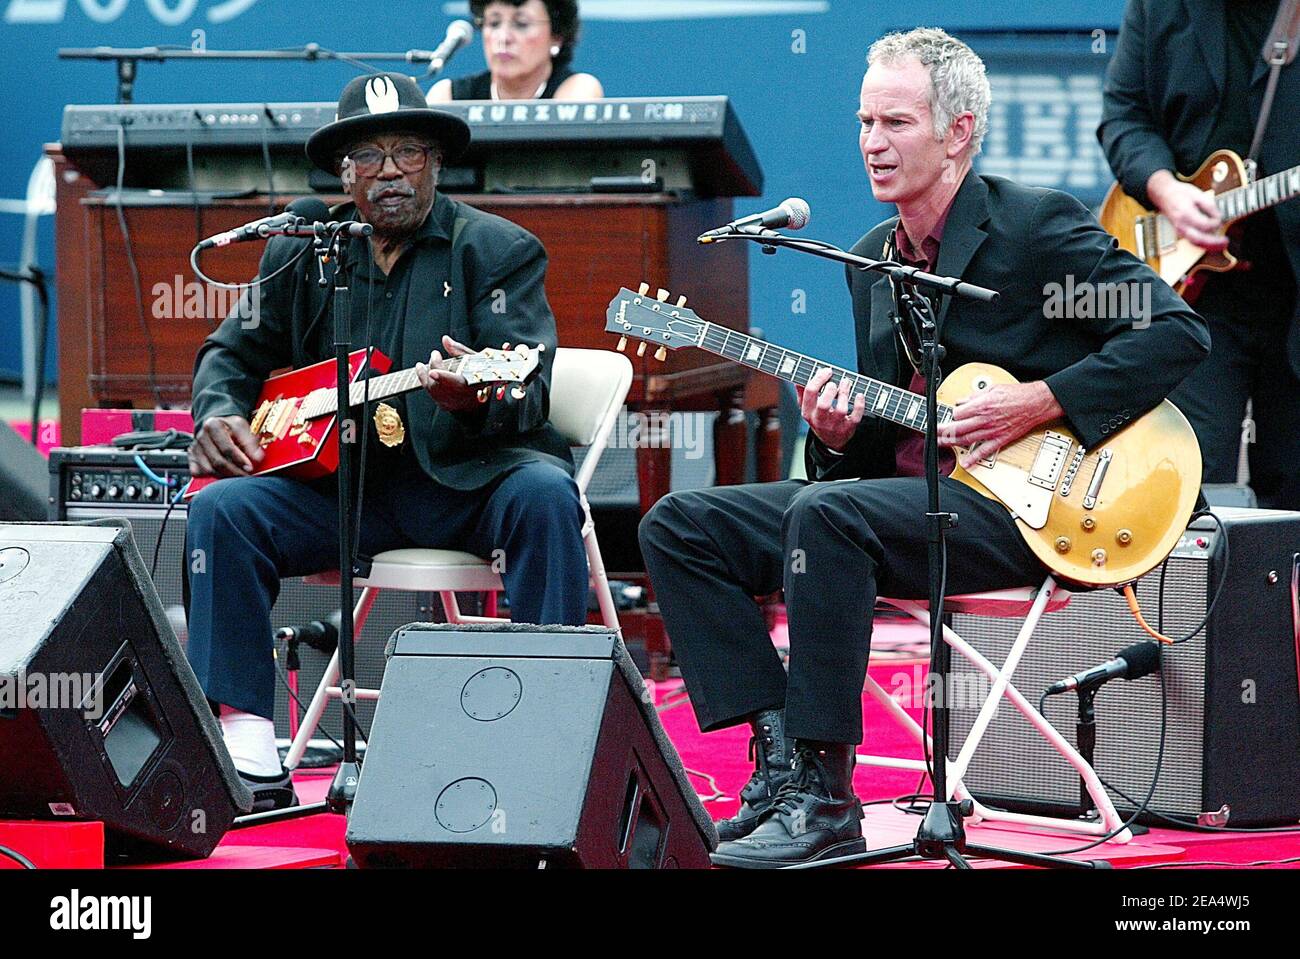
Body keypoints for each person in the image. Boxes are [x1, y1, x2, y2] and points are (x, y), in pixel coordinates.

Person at [638, 28, 1210, 868]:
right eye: (864, 121)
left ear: (958, 133)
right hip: (905, 512)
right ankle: (782, 768)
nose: (873, 143)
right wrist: (833, 439)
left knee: (830, 517)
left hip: (1035, 507)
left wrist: (1044, 400)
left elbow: (1178, 331)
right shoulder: (869, 261)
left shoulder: (1035, 228)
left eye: (896, 123)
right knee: (680, 524)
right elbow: (874, 461)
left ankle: (831, 803)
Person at [185, 72, 589, 811]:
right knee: (224, 512)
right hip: (350, 490)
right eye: (368, 157)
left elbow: (529, 389)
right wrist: (217, 412)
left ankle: (546, 725)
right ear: (344, 174)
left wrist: (474, 398)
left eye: (408, 151)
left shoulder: (498, 251)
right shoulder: (305, 249)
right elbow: (230, 354)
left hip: (467, 483)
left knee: (545, 493)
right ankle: (248, 747)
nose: (391, 171)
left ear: (437, 162)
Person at [1098, 0, 1300, 509]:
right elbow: (1124, 115)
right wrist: (1166, 189)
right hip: (1196, 301)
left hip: (1293, 291)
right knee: (1189, 490)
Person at [426, 0, 603, 102]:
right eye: (494, 23)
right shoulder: (448, 96)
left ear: (557, 36)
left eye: (521, 24)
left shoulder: (578, 90)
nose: (503, 37)